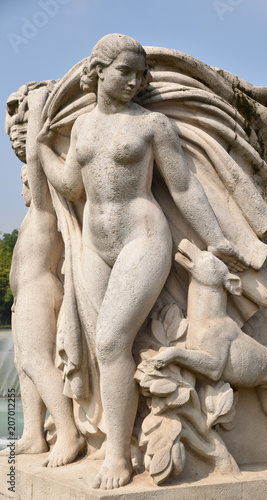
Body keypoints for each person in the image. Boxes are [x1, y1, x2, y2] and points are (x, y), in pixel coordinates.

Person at [37, 33, 248, 489]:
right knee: (102, 347)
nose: (135, 81)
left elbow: (185, 187)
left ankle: (117, 458)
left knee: (112, 340)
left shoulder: (152, 125)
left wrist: (215, 239)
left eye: (140, 74)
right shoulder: (81, 128)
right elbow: (73, 185)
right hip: (94, 243)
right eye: (124, 72)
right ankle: (124, 441)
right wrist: (41, 153)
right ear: (98, 72)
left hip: (143, 236)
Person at [1, 86, 85, 467]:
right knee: (23, 363)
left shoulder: (44, 209)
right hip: (26, 297)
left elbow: (35, 156)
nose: (24, 185)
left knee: (36, 361)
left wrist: (36, 108)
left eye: (26, 181)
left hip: (40, 291)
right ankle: (34, 434)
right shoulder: (28, 217)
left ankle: (68, 433)